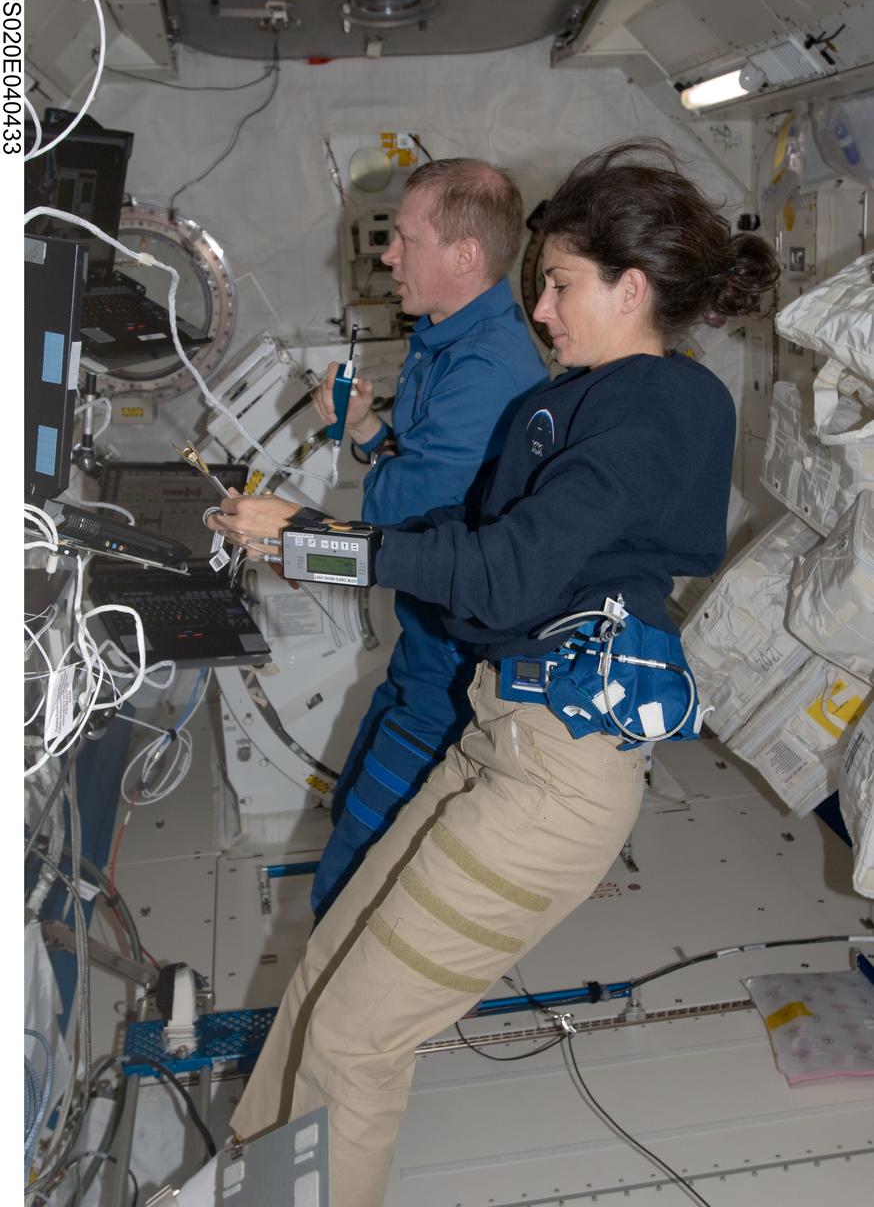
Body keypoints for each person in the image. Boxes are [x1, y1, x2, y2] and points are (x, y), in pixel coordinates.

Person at [210, 139, 779, 1205]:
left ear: (633, 287)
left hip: (555, 776)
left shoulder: (660, 401)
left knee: (355, 1037)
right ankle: (255, 1177)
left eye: (560, 285)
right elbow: (466, 550)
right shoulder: (576, 398)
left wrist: (310, 540)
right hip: (493, 732)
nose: (542, 310)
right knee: (328, 966)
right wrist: (316, 529)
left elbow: (505, 569)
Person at [307, 158, 546, 920]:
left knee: (358, 861)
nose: (388, 255)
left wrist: (304, 526)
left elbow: (404, 507)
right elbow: (416, 468)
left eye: (405, 239)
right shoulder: (444, 338)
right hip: (427, 642)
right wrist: (366, 428)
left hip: (456, 659)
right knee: (351, 805)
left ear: (464, 255)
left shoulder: (487, 367)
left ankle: (351, 976)